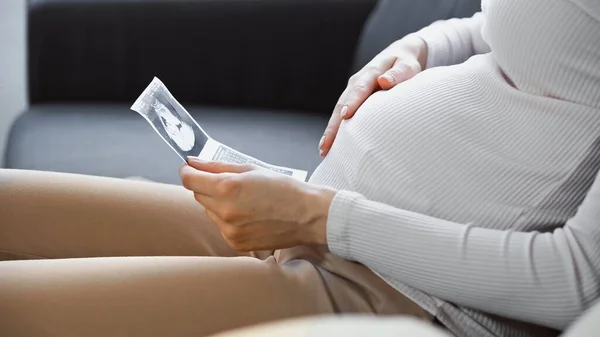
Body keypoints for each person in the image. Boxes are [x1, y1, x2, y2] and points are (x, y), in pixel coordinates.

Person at [1, 0, 599, 336]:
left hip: (399, 296)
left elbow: (574, 283)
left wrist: (323, 219)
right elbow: (496, 30)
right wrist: (421, 48)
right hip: (315, 214)